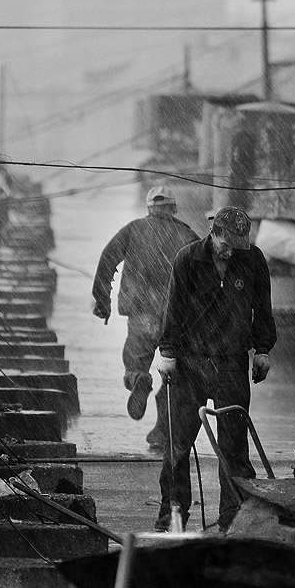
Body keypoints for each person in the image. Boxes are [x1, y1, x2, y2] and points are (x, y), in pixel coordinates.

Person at [155, 205, 277, 534]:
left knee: (234, 448)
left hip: (232, 362)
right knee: (177, 445)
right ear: (215, 234)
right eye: (228, 244)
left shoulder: (252, 260)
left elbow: (262, 307)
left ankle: (234, 519)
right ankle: (173, 516)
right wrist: (167, 351)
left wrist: (263, 349)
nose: (232, 251)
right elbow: (174, 308)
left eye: (240, 245)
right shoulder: (187, 259)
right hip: (191, 362)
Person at [91, 185, 199, 448]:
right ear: (173, 208)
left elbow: (108, 259)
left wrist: (102, 301)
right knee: (175, 378)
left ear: (149, 208)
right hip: (176, 320)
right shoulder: (188, 236)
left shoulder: (134, 229)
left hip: (141, 314)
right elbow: (203, 276)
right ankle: (163, 432)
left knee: (135, 364)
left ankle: (139, 379)